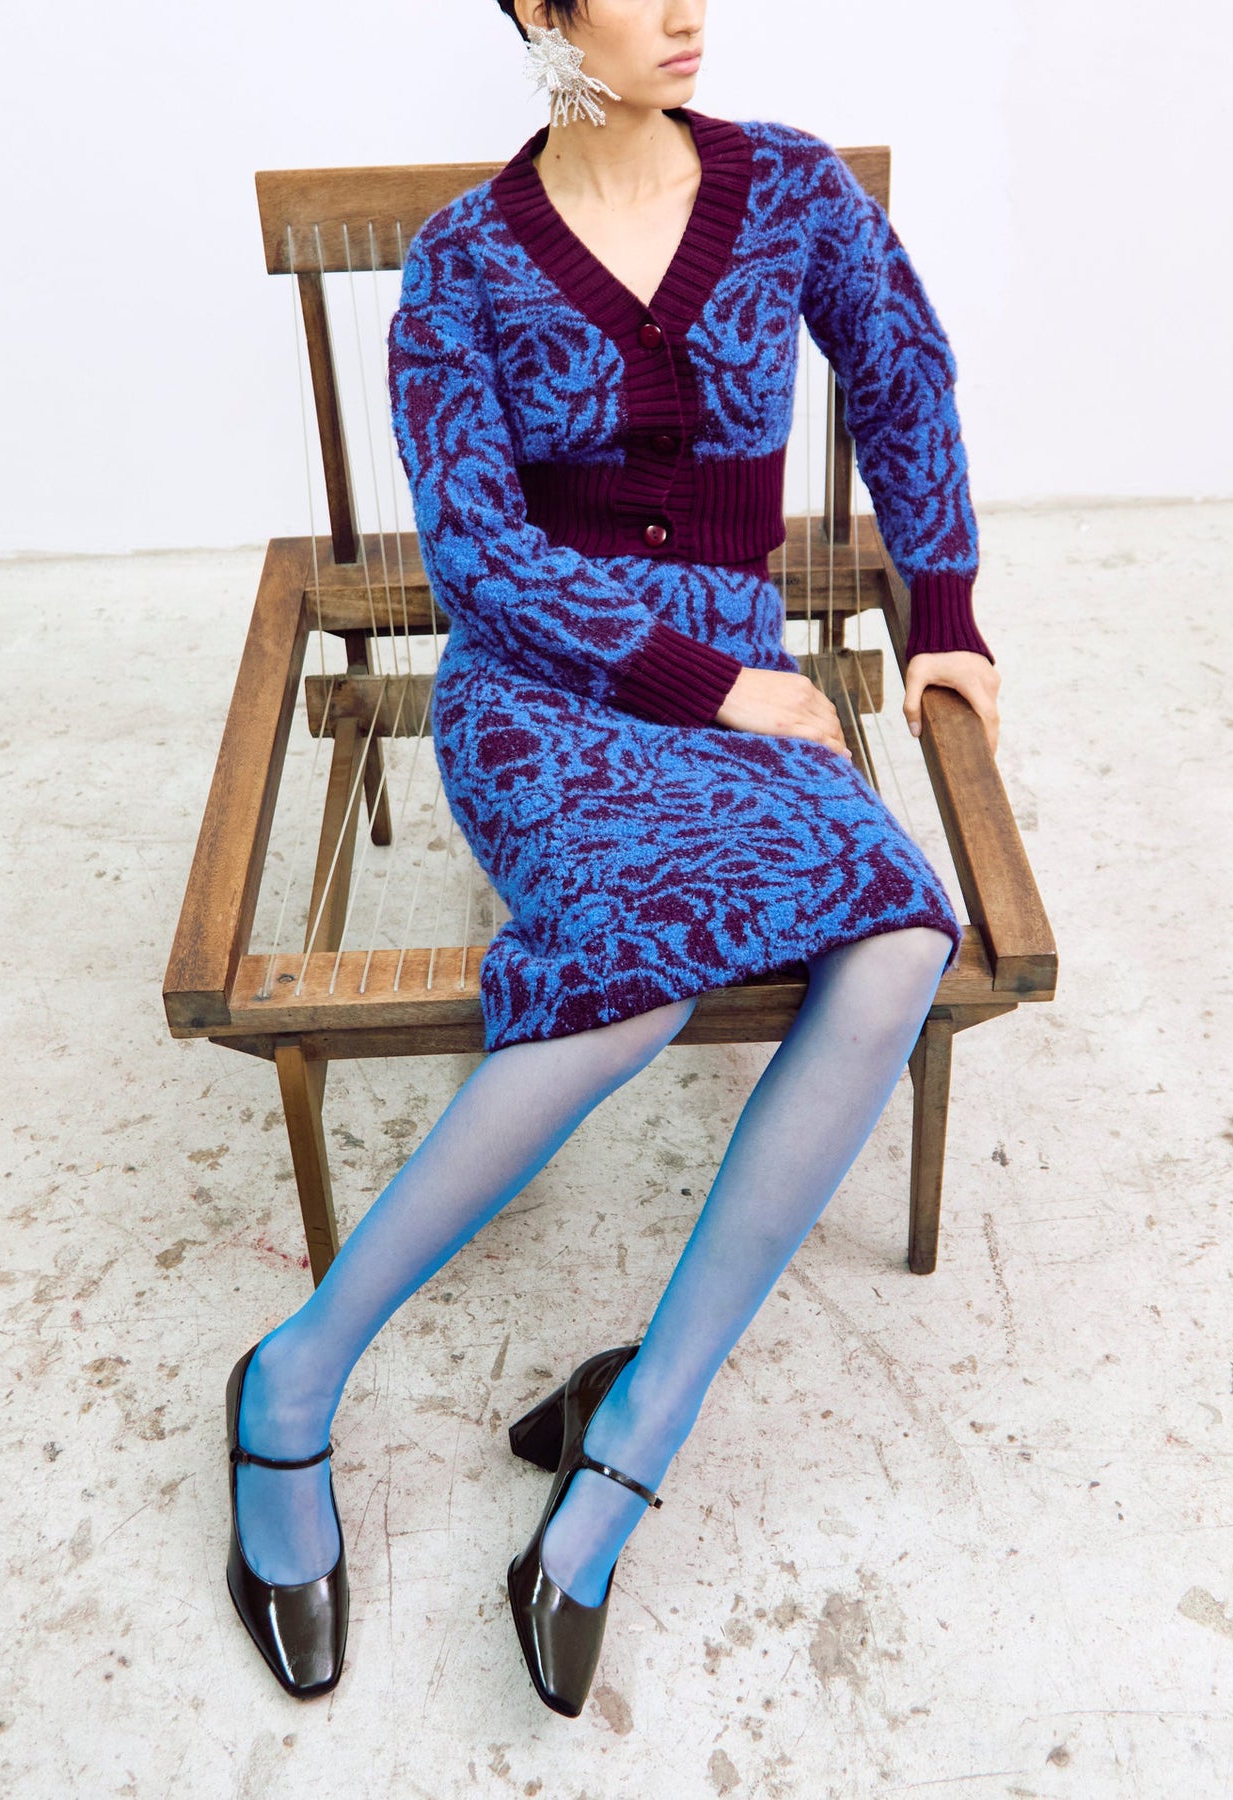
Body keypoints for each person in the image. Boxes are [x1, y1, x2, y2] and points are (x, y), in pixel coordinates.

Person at [220, 0, 1004, 1715]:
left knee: (901, 937)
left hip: (744, 683)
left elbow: (903, 372)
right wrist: (706, 684)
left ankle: (638, 1423)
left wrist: (944, 609)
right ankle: (293, 1377)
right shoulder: (463, 262)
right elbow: (479, 559)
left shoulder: (789, 189)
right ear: (538, 11)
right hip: (546, 694)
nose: (687, 11)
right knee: (633, 984)